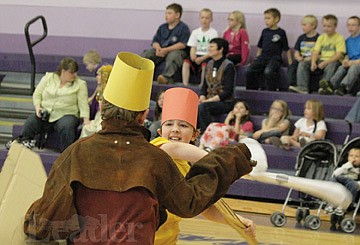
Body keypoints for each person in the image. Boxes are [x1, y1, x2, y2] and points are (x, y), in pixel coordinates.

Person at [23, 52, 254, 243]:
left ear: (103, 108)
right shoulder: (155, 159)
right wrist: (230, 158)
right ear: (144, 116)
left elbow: (44, 221)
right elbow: (190, 203)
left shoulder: (75, 153)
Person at [152, 87, 256, 244]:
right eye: (169, 124)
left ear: (195, 135)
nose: (175, 129)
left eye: (183, 125)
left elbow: (204, 207)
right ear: (160, 132)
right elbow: (175, 148)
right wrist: (218, 159)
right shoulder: (157, 148)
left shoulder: (191, 171)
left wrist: (236, 220)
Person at [6, 57, 90, 152]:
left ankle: (66, 154)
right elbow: (37, 94)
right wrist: (38, 108)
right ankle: (22, 145)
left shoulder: (80, 84)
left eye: (76, 72)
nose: (75, 75)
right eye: (72, 72)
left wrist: (86, 120)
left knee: (67, 125)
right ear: (63, 71)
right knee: (32, 121)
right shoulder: (48, 78)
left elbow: (83, 104)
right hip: (47, 113)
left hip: (67, 114)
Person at [141, 3, 190, 84]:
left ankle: (166, 77)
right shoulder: (162, 27)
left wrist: (166, 50)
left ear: (177, 15)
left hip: (175, 50)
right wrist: (158, 48)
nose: (166, 15)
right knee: (147, 54)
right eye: (166, 13)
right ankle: (142, 75)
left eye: (169, 13)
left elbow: (182, 44)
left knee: (174, 56)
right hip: (161, 49)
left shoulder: (183, 28)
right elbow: (155, 41)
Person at [244, 8, 292, 91]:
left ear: (276, 19)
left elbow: (286, 49)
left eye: (268, 18)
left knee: (268, 71)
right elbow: (260, 47)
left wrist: (290, 63)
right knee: (249, 70)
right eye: (265, 18)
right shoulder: (264, 31)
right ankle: (252, 90)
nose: (266, 21)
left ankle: (271, 90)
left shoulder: (281, 32)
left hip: (275, 58)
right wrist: (257, 59)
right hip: (263, 57)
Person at [197, 38, 236, 134]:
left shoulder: (228, 66)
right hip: (209, 99)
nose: (209, 49)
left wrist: (209, 100)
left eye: (212, 46)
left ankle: (208, 133)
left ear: (221, 49)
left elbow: (228, 91)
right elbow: (204, 85)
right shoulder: (209, 64)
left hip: (225, 101)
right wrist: (202, 96)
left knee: (203, 107)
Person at [309, 14, 346, 95]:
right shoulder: (321, 37)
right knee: (303, 63)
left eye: (329, 26)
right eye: (324, 26)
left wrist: (325, 62)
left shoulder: (339, 38)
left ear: (335, 26)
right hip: (321, 60)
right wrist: (313, 62)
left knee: (331, 65)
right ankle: (302, 87)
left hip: (333, 60)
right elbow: (316, 52)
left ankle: (325, 87)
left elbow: (339, 55)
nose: (326, 28)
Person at [181, 8, 218, 87]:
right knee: (186, 62)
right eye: (202, 17)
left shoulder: (213, 33)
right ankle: (185, 84)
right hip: (196, 54)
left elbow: (213, 50)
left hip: (207, 56)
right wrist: (193, 56)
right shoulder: (195, 32)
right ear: (199, 18)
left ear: (211, 20)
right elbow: (193, 46)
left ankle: (202, 85)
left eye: (207, 18)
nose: (204, 20)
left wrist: (202, 58)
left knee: (205, 65)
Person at [288, 15, 320, 93]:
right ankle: (293, 85)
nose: (302, 27)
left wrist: (310, 59)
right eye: (302, 25)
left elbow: (320, 53)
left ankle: (303, 88)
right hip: (302, 58)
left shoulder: (319, 38)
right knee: (292, 66)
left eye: (305, 25)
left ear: (313, 26)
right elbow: (296, 52)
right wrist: (298, 57)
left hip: (312, 59)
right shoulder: (301, 38)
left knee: (303, 64)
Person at [79, 64, 112, 138]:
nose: (97, 77)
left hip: (105, 117)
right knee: (86, 127)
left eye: (99, 75)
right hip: (98, 116)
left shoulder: (110, 92)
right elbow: (91, 100)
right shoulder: (99, 89)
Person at [331, 16, 360, 96]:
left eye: (353, 25)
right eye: (348, 25)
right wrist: (346, 60)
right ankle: (331, 85)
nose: (350, 27)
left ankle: (343, 87)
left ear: (359, 26)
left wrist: (353, 62)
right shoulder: (347, 40)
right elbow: (347, 54)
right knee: (341, 67)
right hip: (351, 62)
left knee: (354, 67)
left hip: (357, 63)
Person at [83, 49, 105, 120]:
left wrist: (92, 98)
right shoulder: (103, 67)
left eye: (87, 65)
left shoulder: (99, 70)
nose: (86, 68)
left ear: (91, 62)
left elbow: (100, 86)